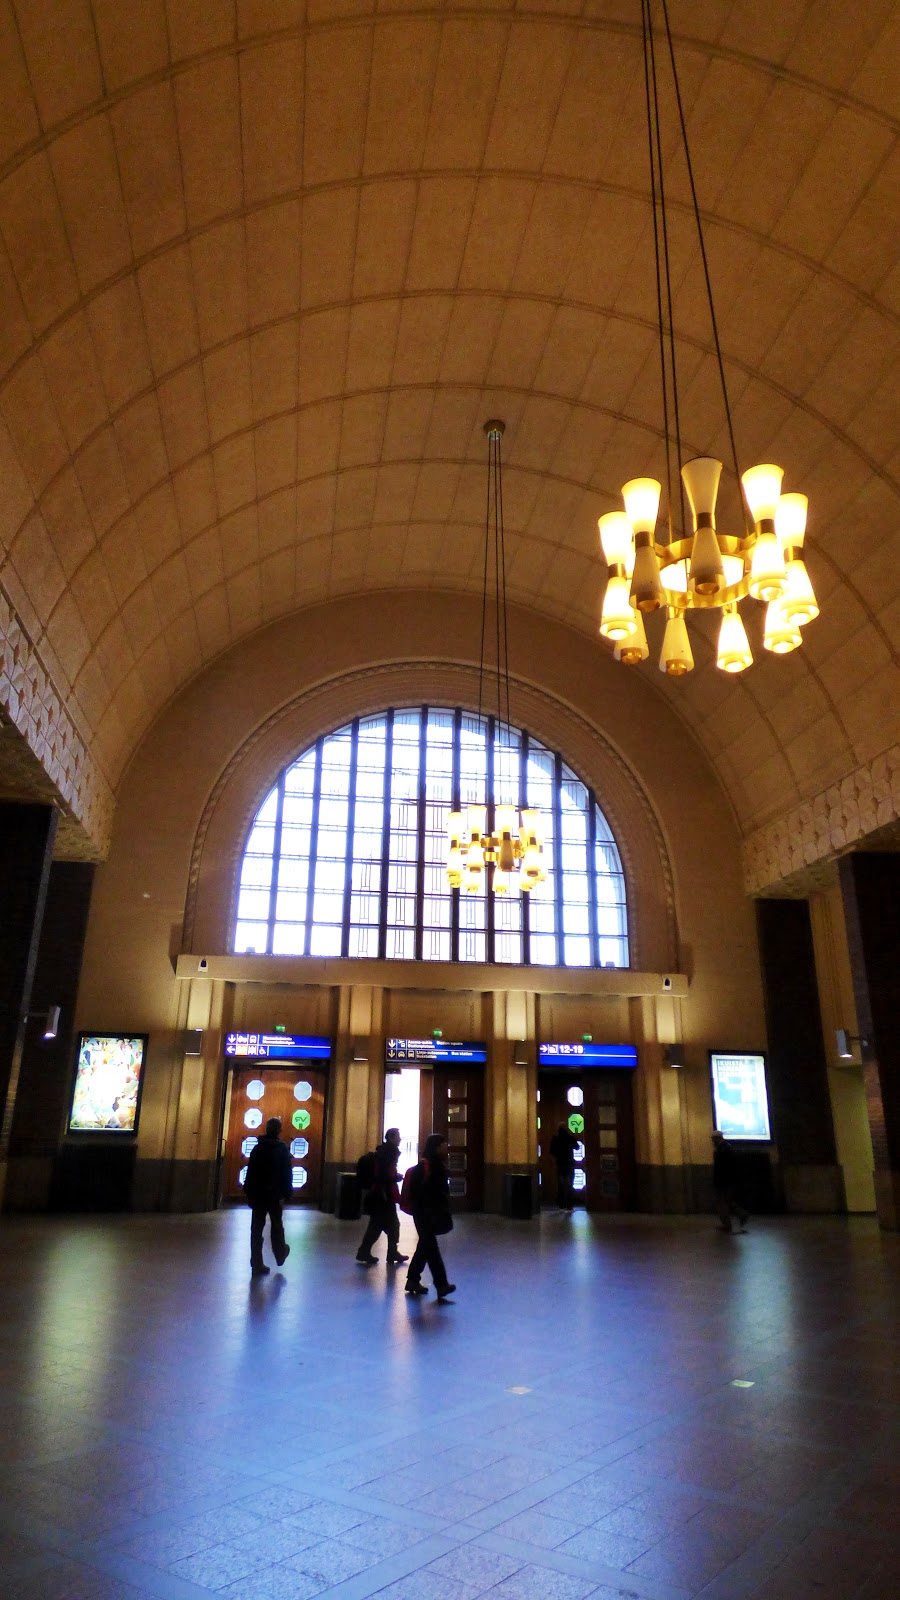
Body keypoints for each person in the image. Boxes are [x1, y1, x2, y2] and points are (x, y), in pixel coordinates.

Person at [404, 1133, 456, 1300]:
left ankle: (413, 1280)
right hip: (425, 1213)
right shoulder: (427, 1166)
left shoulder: (435, 1165)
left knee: (425, 1247)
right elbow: (423, 1191)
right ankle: (441, 1285)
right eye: (444, 1145)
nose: (446, 1148)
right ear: (436, 1147)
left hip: (426, 1213)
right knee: (431, 1249)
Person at [243, 1116, 292, 1276]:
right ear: (279, 1130)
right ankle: (280, 1253)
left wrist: (248, 1192)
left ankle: (257, 1263)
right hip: (274, 1195)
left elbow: (250, 1171)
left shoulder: (258, 1148)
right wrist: (287, 1193)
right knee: (277, 1225)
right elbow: (286, 1172)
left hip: (258, 1195)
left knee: (256, 1229)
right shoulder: (282, 1148)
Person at [355, 1127, 409, 1268]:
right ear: (391, 1138)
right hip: (383, 1195)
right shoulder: (388, 1153)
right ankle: (390, 1253)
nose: (400, 1139)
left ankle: (367, 1251)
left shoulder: (384, 1152)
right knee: (392, 1225)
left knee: (377, 1225)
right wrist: (395, 1178)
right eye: (398, 1136)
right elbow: (383, 1175)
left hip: (379, 1194)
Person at [712, 1130, 749, 1233]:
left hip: (723, 1181)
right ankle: (740, 1215)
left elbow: (721, 1168)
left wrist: (717, 1181)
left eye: (713, 1139)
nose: (712, 1141)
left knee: (722, 1203)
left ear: (717, 1138)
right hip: (727, 1181)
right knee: (727, 1202)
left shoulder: (723, 1149)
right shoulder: (726, 1147)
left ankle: (730, 1222)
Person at [549, 1121, 579, 1210]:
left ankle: (561, 1204)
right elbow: (577, 1147)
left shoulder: (556, 1138)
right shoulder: (570, 1137)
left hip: (560, 1164)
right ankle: (569, 1205)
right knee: (569, 1184)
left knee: (561, 1185)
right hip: (569, 1163)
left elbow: (552, 1151)